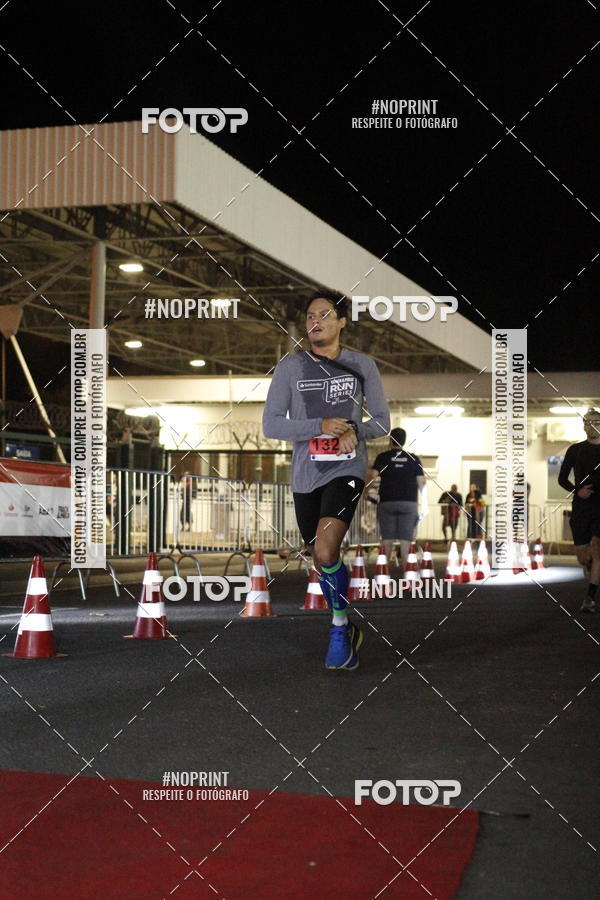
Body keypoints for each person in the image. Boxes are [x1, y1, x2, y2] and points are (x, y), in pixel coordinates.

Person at [263, 291, 390, 669]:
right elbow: (271, 425)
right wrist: (319, 425)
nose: (314, 321)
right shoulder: (291, 367)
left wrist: (353, 429)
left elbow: (381, 421)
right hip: (305, 475)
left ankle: (338, 628)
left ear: (341, 322)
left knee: (324, 549)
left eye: (324, 314)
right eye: (309, 317)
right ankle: (349, 626)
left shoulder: (361, 365)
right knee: (322, 560)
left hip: (346, 470)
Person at [558, 408, 600, 613]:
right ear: (584, 426)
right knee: (583, 555)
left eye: (596, 422)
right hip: (581, 508)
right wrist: (577, 491)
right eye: (588, 422)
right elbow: (562, 479)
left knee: (598, 547)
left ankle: (590, 598)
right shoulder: (575, 450)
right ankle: (589, 564)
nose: (592, 425)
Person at [371, 429, 427, 571]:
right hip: (408, 503)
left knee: (387, 539)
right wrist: (424, 504)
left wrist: (370, 491)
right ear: (404, 440)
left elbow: (372, 477)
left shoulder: (382, 457)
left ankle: (384, 573)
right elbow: (422, 483)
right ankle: (407, 574)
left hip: (387, 502)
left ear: (391, 440)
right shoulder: (413, 459)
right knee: (406, 540)